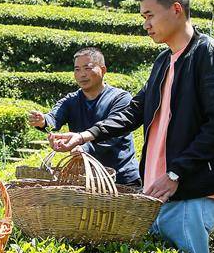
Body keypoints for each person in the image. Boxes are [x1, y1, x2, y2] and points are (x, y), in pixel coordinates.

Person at [51, 0, 214, 253]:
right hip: (160, 188)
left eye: (150, 15)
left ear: (176, 9)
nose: (145, 24)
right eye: (143, 17)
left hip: (189, 188)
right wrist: (85, 135)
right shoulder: (164, 61)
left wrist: (176, 173)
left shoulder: (207, 54)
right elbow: (135, 110)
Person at [27, 47, 140, 185]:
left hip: (121, 178)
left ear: (103, 70)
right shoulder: (71, 100)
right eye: (77, 69)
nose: (82, 74)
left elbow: (114, 132)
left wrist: (83, 147)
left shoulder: (120, 98)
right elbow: (54, 118)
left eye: (87, 68)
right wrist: (43, 121)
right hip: (86, 180)